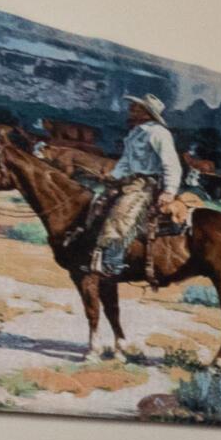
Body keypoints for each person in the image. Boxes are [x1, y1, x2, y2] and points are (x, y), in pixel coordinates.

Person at [68, 92, 182, 293]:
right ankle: (92, 252)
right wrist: (113, 176)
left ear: (146, 112)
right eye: (132, 107)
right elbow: (126, 162)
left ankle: (113, 264)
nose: (131, 109)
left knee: (121, 215)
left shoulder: (159, 133)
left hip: (146, 185)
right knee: (97, 202)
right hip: (129, 182)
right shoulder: (136, 132)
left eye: (135, 107)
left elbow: (171, 163)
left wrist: (170, 191)